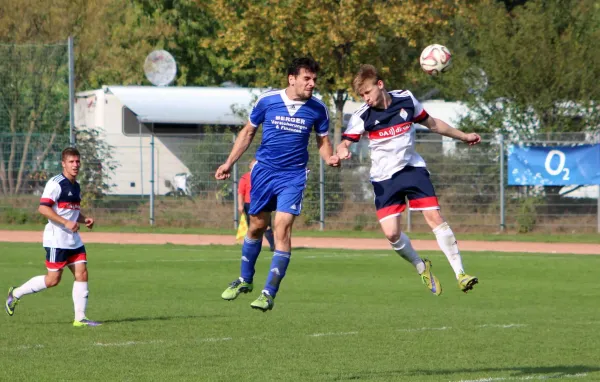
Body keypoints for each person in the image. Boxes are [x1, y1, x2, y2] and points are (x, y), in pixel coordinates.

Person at [336, 64, 479, 295]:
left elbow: (432, 123)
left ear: (380, 85)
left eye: (367, 92)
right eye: (361, 95)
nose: (366, 99)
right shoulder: (363, 115)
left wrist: (463, 136)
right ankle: (420, 265)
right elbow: (345, 142)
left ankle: (461, 273)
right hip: (384, 179)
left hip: (413, 169)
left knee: (435, 217)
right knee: (392, 234)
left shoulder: (406, 99)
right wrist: (341, 151)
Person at [215, 57, 340, 312]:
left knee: (282, 228)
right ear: (291, 79)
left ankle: (268, 293)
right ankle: (244, 279)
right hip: (263, 173)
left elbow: (323, 141)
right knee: (256, 227)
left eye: (314, 79)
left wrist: (330, 158)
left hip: (293, 176)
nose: (312, 84)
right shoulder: (267, 100)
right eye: (307, 78)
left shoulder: (318, 109)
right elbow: (247, 133)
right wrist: (229, 163)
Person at [5, 147, 101, 326]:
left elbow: (71, 212)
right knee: (52, 280)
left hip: (73, 240)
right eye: (71, 162)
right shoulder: (56, 183)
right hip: (57, 239)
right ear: (63, 163)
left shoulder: (76, 185)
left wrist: (84, 218)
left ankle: (80, 318)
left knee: (82, 273)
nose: (75, 165)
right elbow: (43, 208)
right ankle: (15, 293)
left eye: (77, 161)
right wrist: (65, 223)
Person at [238, 158, 275, 251]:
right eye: (253, 165)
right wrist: (240, 205)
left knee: (266, 225)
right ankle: (252, 247)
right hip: (249, 204)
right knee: (253, 227)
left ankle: (273, 246)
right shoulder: (245, 177)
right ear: (250, 167)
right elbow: (241, 192)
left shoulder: (264, 177)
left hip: (262, 203)